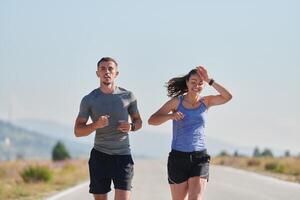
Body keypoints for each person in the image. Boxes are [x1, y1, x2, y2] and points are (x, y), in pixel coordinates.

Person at [148, 66, 232, 200]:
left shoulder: (206, 101)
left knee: (195, 198)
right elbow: (152, 120)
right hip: (178, 158)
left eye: (200, 83)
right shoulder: (177, 102)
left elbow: (228, 97)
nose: (196, 85)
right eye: (193, 82)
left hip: (200, 158)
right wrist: (170, 117)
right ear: (187, 82)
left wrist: (209, 80)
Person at [74, 57, 142, 200]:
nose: (107, 72)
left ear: (116, 73)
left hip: (123, 156)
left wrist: (131, 126)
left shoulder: (128, 96)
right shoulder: (89, 99)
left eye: (110, 69)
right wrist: (95, 125)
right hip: (100, 156)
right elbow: (78, 131)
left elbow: (138, 122)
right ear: (97, 73)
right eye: (103, 68)